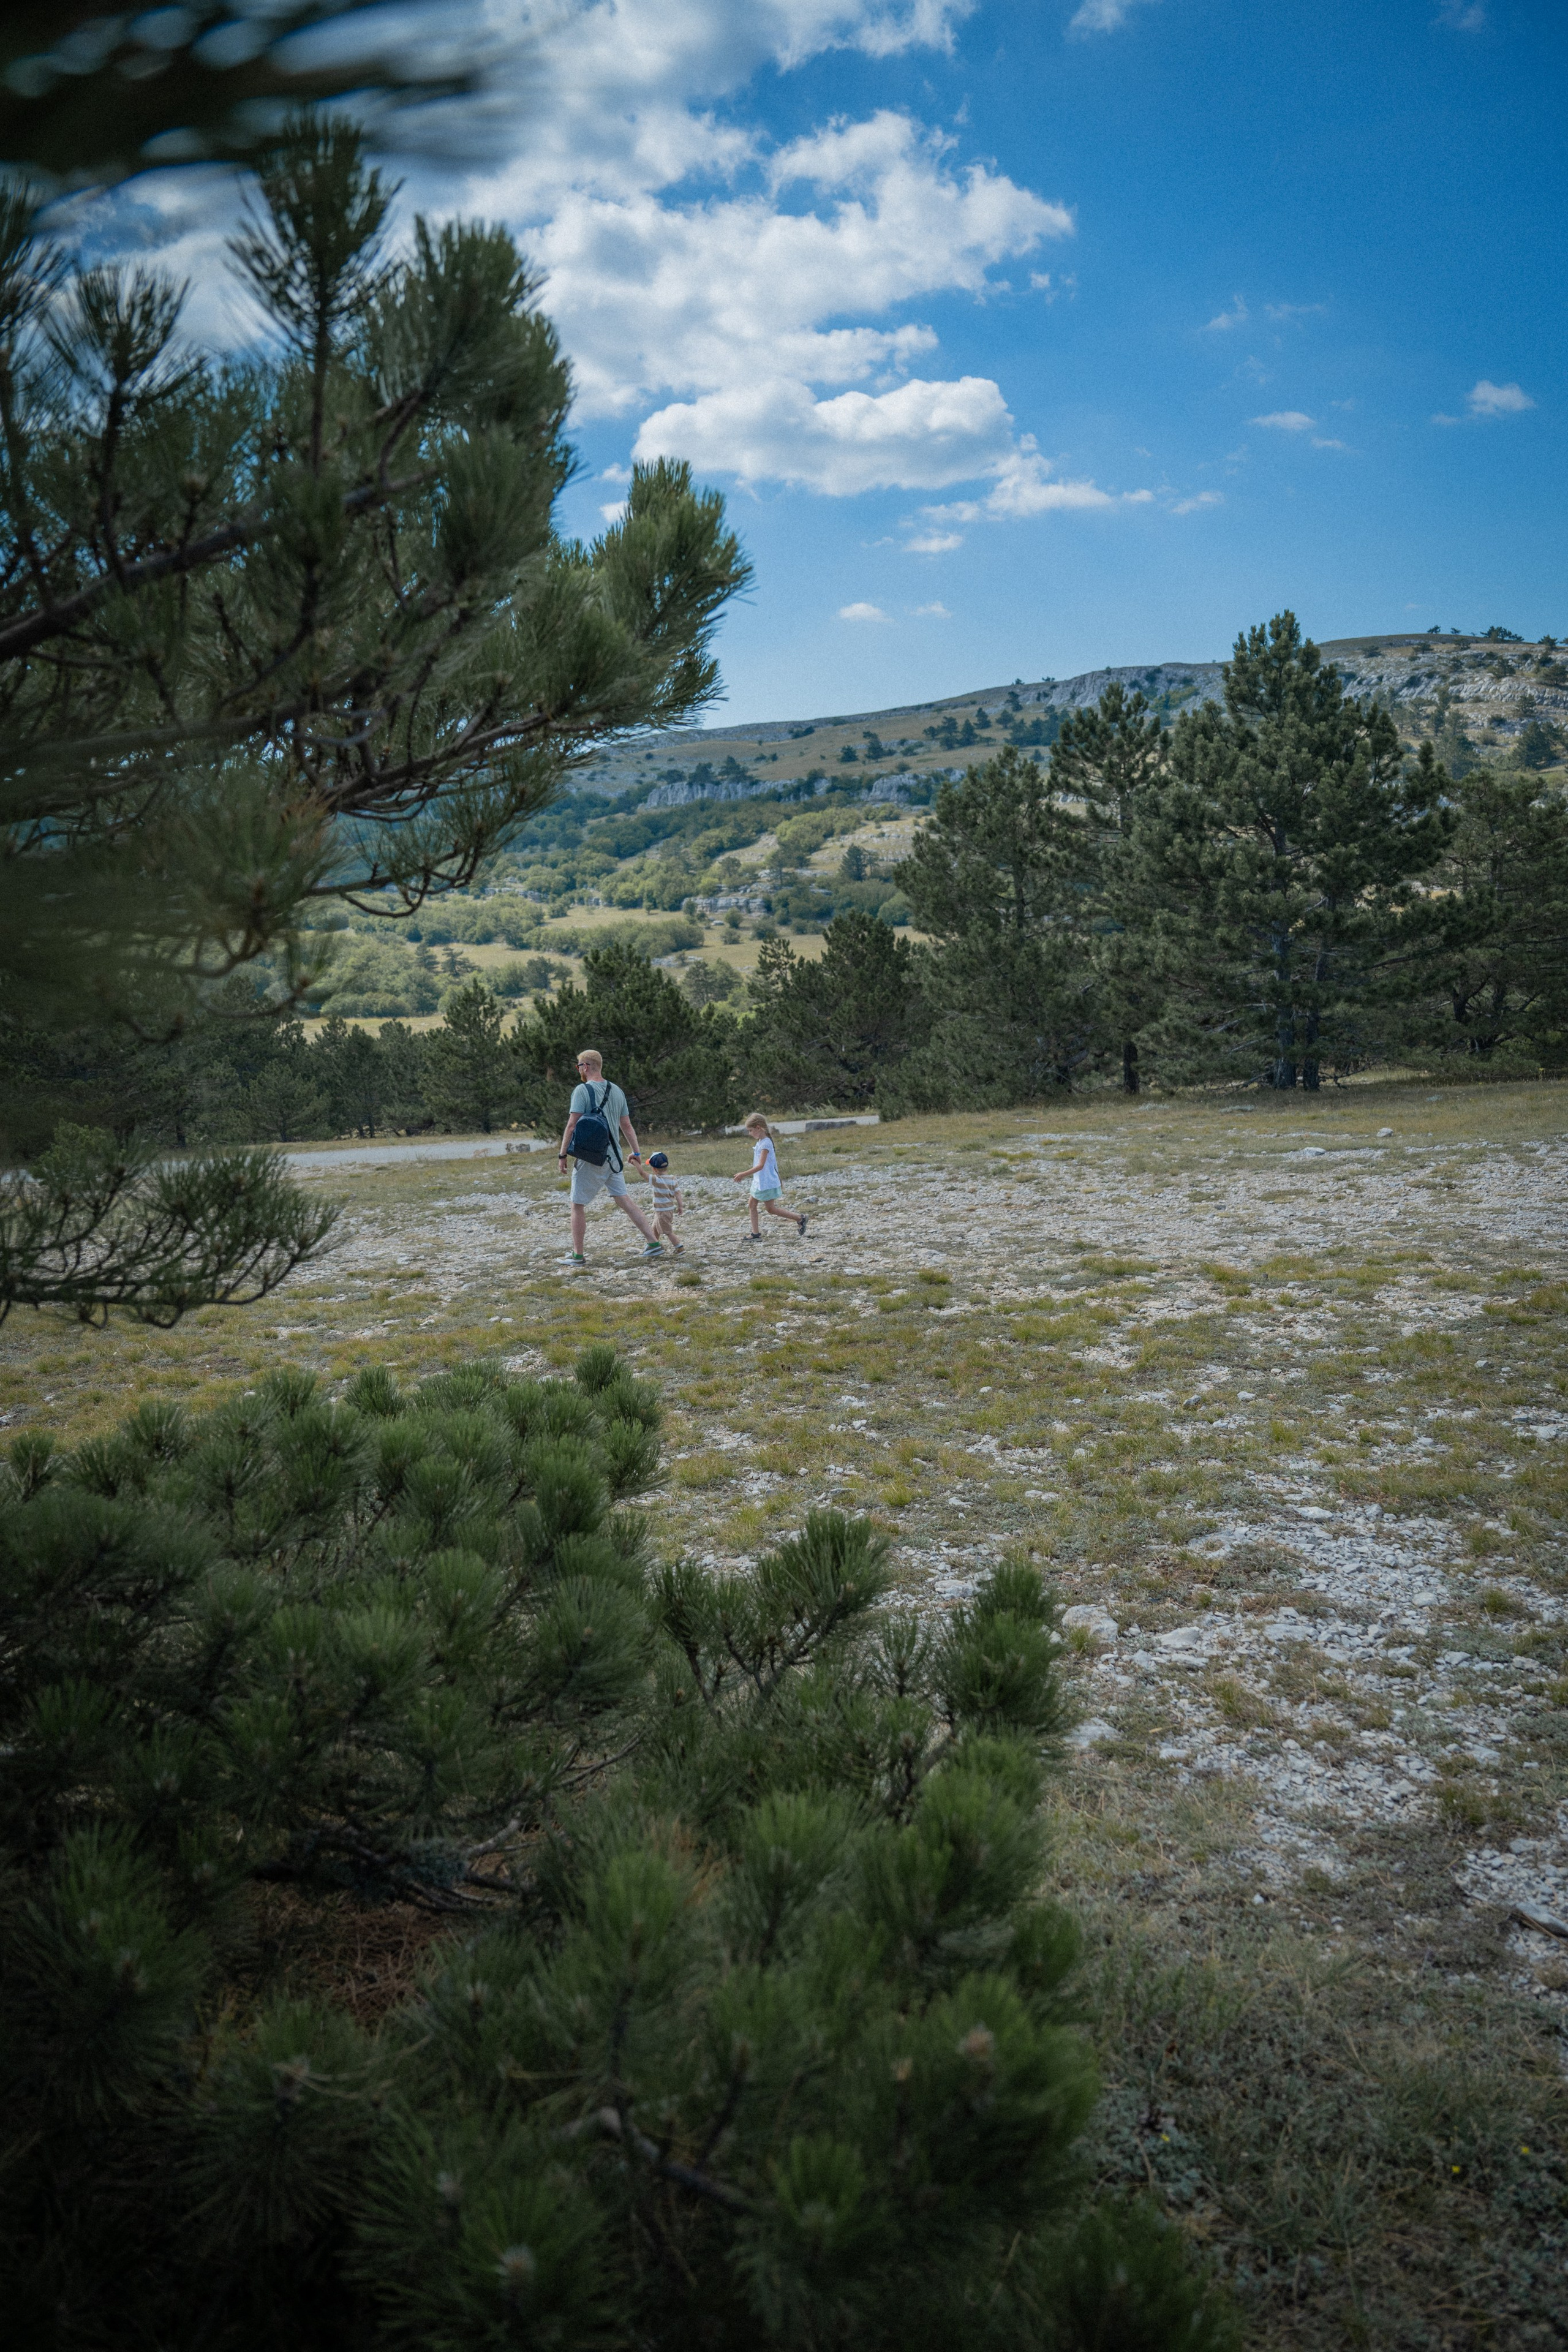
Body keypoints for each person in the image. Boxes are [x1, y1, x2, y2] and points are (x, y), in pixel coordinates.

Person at [557, 1049, 663, 1264]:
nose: (579, 1070)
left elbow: (571, 1125)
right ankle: (654, 1243)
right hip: (614, 1158)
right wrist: (637, 1151)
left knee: (577, 1205)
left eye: (579, 1066)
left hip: (591, 1158)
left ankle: (578, 1256)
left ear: (585, 1066)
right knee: (624, 1200)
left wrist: (562, 1154)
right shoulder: (617, 1090)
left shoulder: (582, 1090)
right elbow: (627, 1125)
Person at [732, 1112, 807, 1243]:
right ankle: (755, 1234)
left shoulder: (766, 1144)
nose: (750, 1134)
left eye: (750, 1130)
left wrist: (743, 1174)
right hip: (759, 1181)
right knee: (752, 1204)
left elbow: (761, 1165)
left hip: (766, 1182)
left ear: (758, 1128)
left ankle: (800, 1218)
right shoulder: (761, 1141)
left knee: (771, 1209)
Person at [644, 1151, 684, 1253]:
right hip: (668, 1209)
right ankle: (654, 1245)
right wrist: (680, 1206)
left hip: (662, 1211)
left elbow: (642, 1173)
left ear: (654, 1169)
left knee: (668, 1231)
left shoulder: (656, 1180)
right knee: (655, 1228)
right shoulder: (673, 1179)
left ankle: (679, 1247)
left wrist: (635, 1163)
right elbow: (678, 1193)